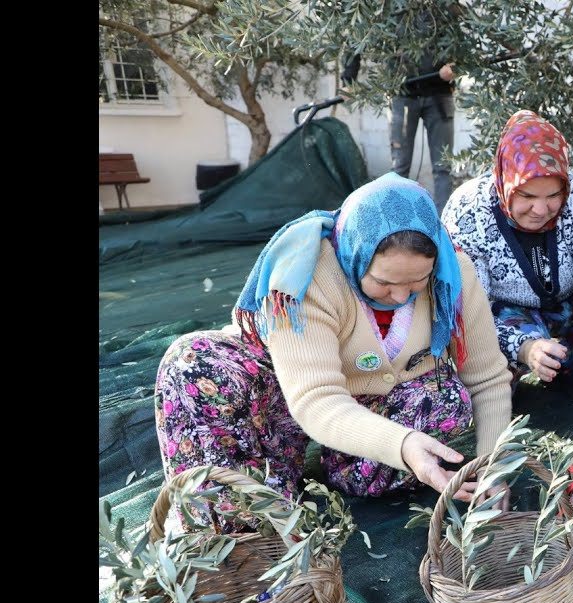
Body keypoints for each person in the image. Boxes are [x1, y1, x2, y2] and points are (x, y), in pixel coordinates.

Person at [154, 172, 513, 528]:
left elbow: (486, 379)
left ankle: (345, 465)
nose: (402, 296)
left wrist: (493, 468)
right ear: (357, 254)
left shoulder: (453, 272)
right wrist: (402, 445)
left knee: (445, 399)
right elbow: (317, 398)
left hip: (370, 396)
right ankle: (248, 507)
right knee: (193, 364)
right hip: (281, 393)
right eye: (385, 282)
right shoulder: (307, 273)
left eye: (417, 282)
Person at [441, 110, 573, 402]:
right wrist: (524, 347)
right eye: (526, 196)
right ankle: (513, 373)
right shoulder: (467, 211)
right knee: (492, 394)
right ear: (505, 180)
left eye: (553, 196)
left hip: (568, 304)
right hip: (504, 314)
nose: (540, 210)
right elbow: (471, 310)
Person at [342, 42, 456, 210]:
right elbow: (354, 38)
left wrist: (454, 66)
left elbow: (459, 42)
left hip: (439, 93)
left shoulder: (443, 14)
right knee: (399, 168)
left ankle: (445, 227)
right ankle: (399, 226)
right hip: (402, 94)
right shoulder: (388, 14)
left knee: (443, 167)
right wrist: (348, 80)